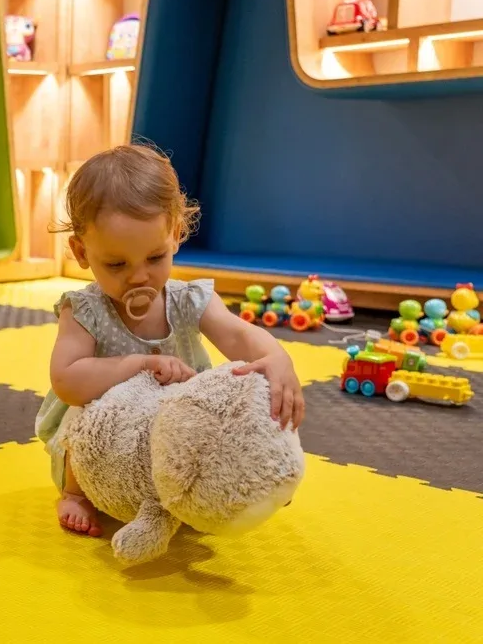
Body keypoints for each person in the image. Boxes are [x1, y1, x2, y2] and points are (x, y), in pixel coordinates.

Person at [36, 143, 305, 537]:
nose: (139, 276)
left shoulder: (189, 299)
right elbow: (67, 381)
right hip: (110, 436)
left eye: (155, 258)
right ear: (81, 251)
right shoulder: (83, 311)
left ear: (176, 235)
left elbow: (238, 335)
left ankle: (242, 479)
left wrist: (278, 358)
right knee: (84, 419)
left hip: (179, 428)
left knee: (240, 401)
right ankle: (76, 495)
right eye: (116, 264)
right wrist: (138, 365)